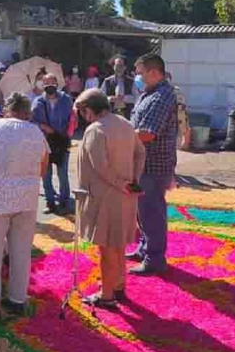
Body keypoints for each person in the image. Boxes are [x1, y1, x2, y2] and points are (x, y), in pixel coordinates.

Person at [0, 93, 49, 321]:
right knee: (21, 251)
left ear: (7, 110)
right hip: (26, 199)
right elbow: (43, 169)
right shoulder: (37, 133)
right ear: (28, 112)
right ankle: (17, 299)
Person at [75, 90, 145, 309]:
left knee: (106, 248)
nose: (82, 116)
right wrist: (132, 179)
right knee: (118, 245)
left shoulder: (96, 129)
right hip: (125, 195)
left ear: (88, 110)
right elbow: (140, 153)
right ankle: (118, 286)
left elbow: (100, 166)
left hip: (106, 197)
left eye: (82, 111)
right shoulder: (125, 123)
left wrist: (121, 183)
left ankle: (106, 295)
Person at [129, 53, 178, 275]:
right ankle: (145, 248)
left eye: (140, 73)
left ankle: (155, 259)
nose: (138, 78)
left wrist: (119, 136)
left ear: (154, 72)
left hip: (154, 165)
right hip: (143, 164)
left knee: (152, 212)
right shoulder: (149, 93)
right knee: (143, 211)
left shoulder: (162, 96)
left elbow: (148, 133)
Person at [32, 74, 73, 214]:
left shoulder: (66, 99)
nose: (49, 85)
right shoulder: (38, 101)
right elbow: (32, 121)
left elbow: (72, 118)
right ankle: (50, 202)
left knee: (63, 173)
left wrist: (67, 133)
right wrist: (44, 127)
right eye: (46, 82)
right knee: (46, 173)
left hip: (62, 141)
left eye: (52, 82)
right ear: (42, 85)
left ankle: (64, 201)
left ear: (57, 83)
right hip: (44, 142)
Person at [166, 72, 190, 150]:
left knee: (183, 128)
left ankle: (184, 145)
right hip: (168, 113)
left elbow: (181, 103)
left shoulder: (175, 89)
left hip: (178, 112)